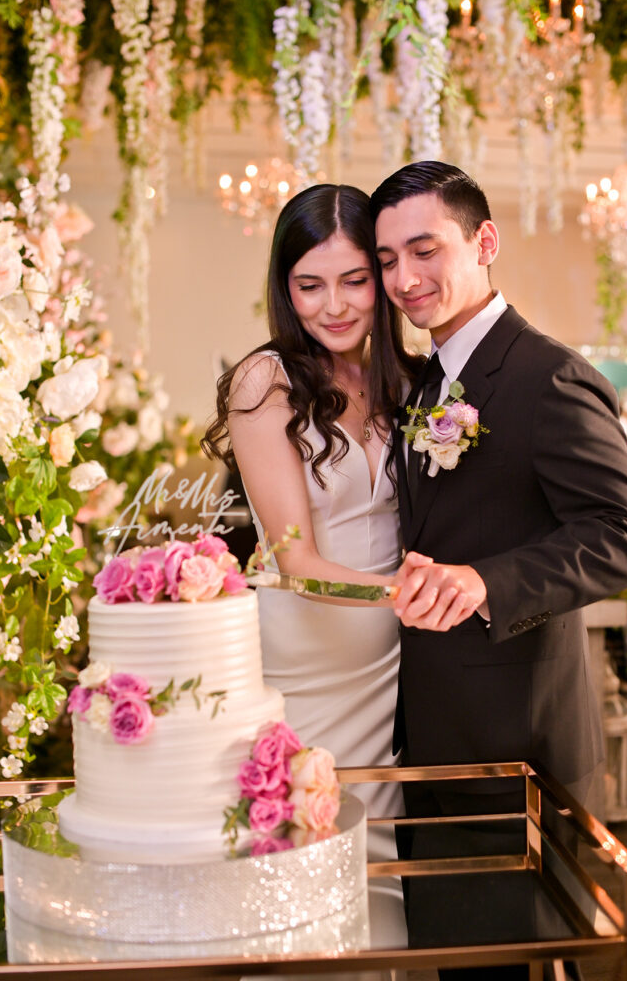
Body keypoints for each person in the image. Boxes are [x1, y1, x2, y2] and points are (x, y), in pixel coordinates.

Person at [368, 161, 627, 978]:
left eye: (423, 250)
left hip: (515, 748)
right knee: (464, 958)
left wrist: (483, 581)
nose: (403, 278)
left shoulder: (546, 376)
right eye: (387, 260)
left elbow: (623, 534)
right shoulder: (431, 381)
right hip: (436, 735)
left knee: (520, 962)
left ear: (484, 241)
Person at [202, 183, 422, 955]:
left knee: (385, 881)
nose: (333, 304)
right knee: (307, 865)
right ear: (283, 288)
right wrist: (414, 591)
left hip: (393, 659)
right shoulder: (265, 381)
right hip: (308, 661)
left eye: (353, 279)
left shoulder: (399, 380)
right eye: (309, 284)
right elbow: (295, 562)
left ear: (383, 278)